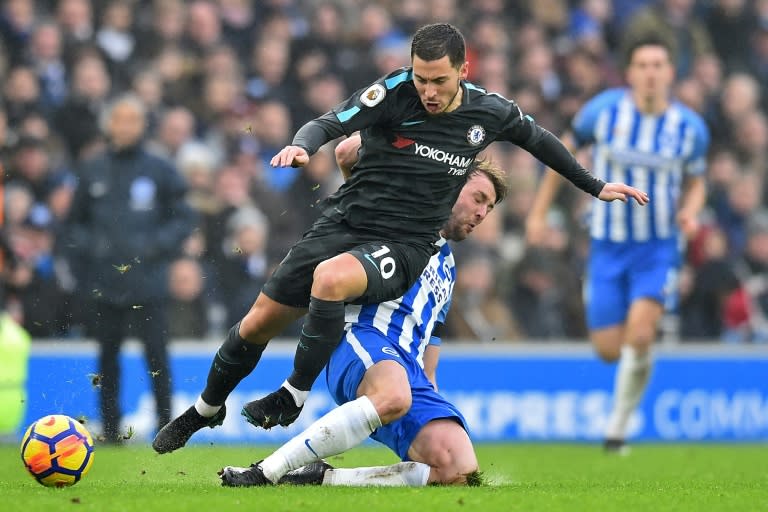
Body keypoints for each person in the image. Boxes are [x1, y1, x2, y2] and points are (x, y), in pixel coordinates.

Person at [153, 22, 648, 454]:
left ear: (463, 70)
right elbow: (329, 122)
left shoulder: (489, 113)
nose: (428, 91)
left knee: (330, 279)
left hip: (406, 243)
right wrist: (301, 148)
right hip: (344, 222)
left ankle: (294, 393)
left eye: (438, 81)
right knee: (256, 323)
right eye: (420, 78)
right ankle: (206, 408)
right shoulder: (392, 93)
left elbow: (542, 143)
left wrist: (596, 186)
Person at [219, 154, 508, 487]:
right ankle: (265, 471)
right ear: (452, 183)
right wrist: (437, 147)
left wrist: (428, 400)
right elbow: (349, 154)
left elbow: (431, 349)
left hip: (409, 371)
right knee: (395, 396)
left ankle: (322, 477)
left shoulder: (448, 268)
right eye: (478, 198)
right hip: (362, 338)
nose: (482, 213)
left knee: (457, 469)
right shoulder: (399, 216)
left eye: (489, 208)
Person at [525, 36, 709, 453]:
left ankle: (617, 432)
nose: (650, 72)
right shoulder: (604, 112)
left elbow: (697, 182)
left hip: (658, 247)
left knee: (641, 334)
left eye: (658, 64)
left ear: (670, 72)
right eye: (642, 64)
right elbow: (562, 158)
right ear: (629, 73)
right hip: (607, 246)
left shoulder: (689, 128)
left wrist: (691, 212)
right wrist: (538, 214)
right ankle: (634, 370)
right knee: (610, 350)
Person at [65, 94, 196, 442]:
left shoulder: (159, 169)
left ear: (142, 125)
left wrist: (155, 246)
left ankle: (167, 426)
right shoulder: (92, 169)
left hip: (148, 282)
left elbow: (184, 217)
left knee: (156, 355)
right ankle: (109, 428)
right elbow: (72, 225)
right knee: (107, 358)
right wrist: (92, 248)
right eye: (119, 119)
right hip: (105, 282)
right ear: (109, 125)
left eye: (132, 120)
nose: (125, 126)